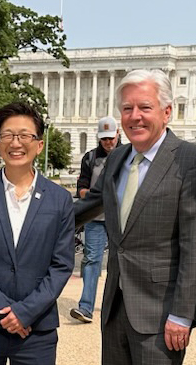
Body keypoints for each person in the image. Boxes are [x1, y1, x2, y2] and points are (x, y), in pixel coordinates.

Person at [75, 69, 196, 365]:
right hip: (115, 306)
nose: (134, 116)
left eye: (144, 107)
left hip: (161, 314)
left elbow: (195, 244)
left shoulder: (190, 161)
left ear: (166, 112)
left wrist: (182, 314)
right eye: (127, 108)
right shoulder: (117, 158)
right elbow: (87, 207)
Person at [0, 102, 75, 364]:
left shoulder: (59, 199)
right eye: (7, 135)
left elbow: (61, 265)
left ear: (39, 144)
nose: (15, 143)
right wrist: (5, 311)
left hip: (37, 330)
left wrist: (25, 312)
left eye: (24, 135)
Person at [69, 115, 120, 324]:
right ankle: (86, 307)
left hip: (121, 218)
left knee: (121, 262)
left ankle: (117, 308)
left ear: (118, 134)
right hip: (95, 217)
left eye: (111, 137)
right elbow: (81, 186)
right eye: (104, 138)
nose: (108, 142)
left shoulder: (130, 155)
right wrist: (92, 197)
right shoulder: (90, 158)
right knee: (91, 260)